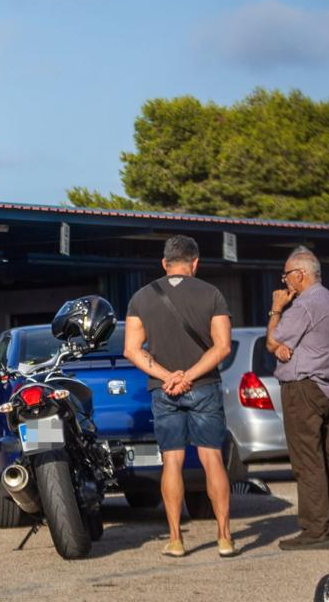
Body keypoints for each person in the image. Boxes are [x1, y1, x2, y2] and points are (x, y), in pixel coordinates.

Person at [123, 235, 234, 558]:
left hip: (164, 390)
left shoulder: (141, 298)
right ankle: (224, 537)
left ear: (164, 263)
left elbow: (132, 349)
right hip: (203, 387)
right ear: (195, 263)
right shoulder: (211, 294)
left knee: (171, 460)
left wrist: (168, 376)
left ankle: (175, 539)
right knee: (211, 458)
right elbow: (223, 346)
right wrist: (190, 375)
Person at [266, 246, 329, 550]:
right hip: (326, 388)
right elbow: (286, 345)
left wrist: (276, 309)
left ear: (300, 274)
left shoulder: (303, 305)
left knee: (307, 461)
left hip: (303, 389)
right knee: (328, 460)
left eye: (287, 275)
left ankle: (316, 532)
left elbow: (272, 340)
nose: (285, 281)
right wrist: (283, 348)